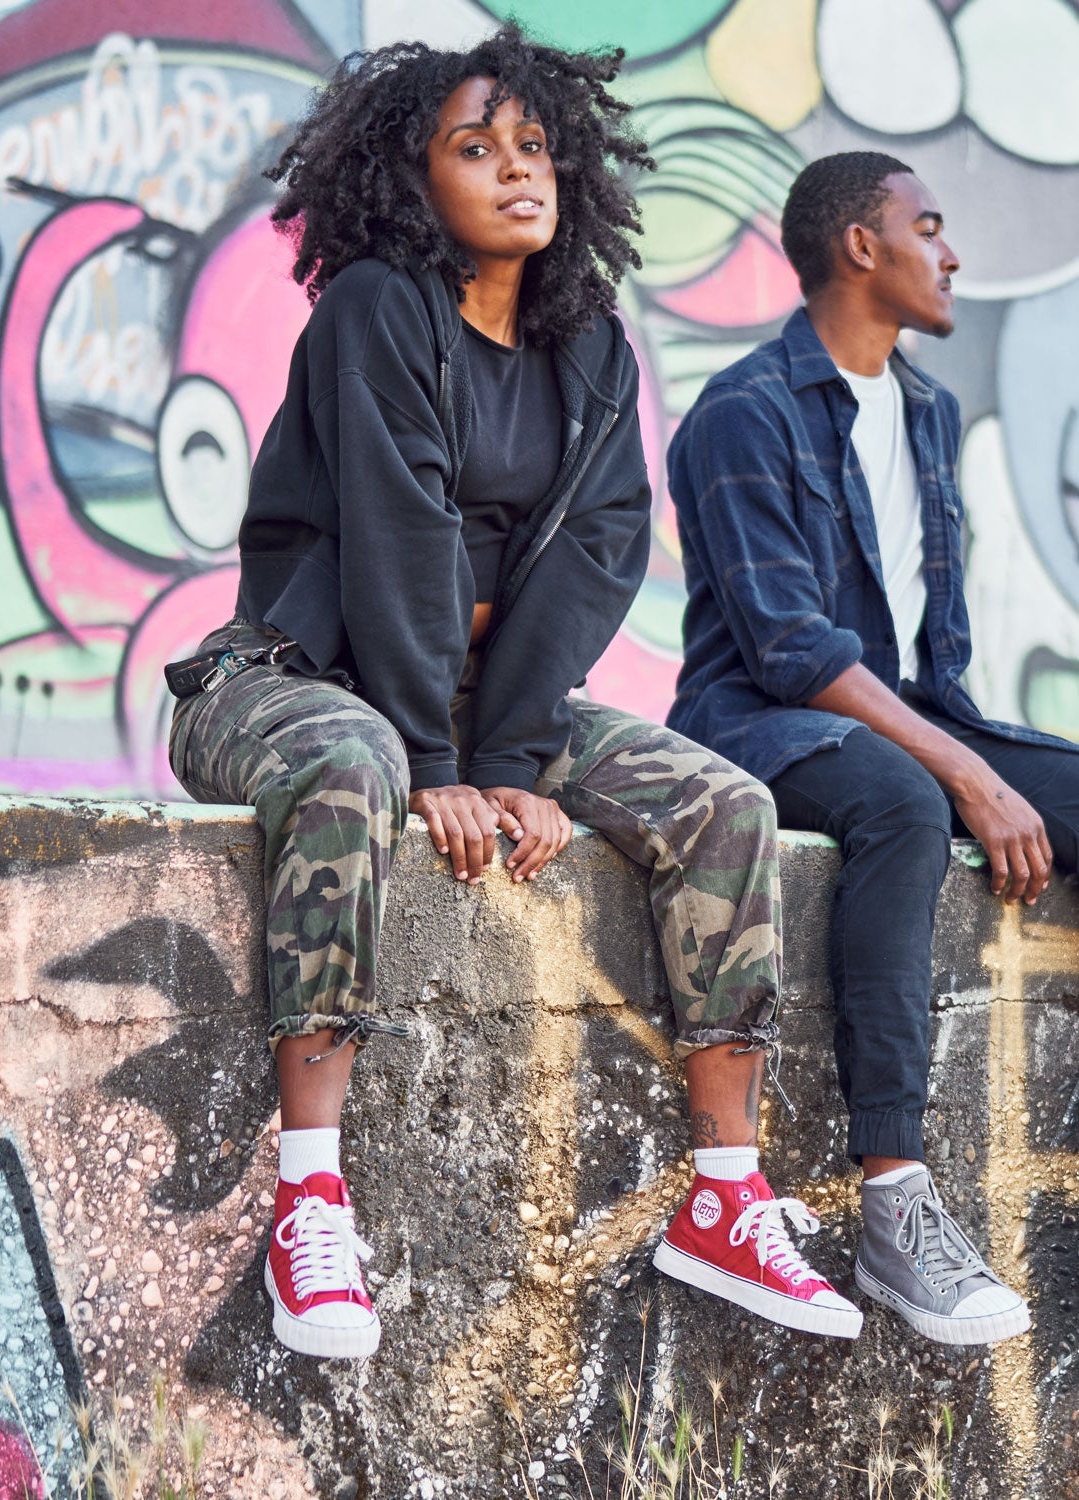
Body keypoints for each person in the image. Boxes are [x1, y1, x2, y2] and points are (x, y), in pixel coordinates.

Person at [168, 26, 861, 1361]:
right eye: (473, 150)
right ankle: (310, 1191)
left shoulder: (591, 347)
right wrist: (444, 769)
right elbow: (399, 533)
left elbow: (601, 547)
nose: (515, 170)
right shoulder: (377, 306)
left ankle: (726, 1196)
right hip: (295, 682)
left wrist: (515, 751)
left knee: (725, 807)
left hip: (481, 705)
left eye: (534, 146)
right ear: (407, 180)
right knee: (353, 773)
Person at [667, 150, 1079, 1346]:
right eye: (930, 227)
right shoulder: (746, 411)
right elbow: (791, 647)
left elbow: (929, 665)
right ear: (861, 246)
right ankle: (896, 1202)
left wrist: (979, 756)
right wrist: (968, 774)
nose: (950, 255)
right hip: (762, 720)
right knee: (903, 800)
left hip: (911, 712)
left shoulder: (932, 412)